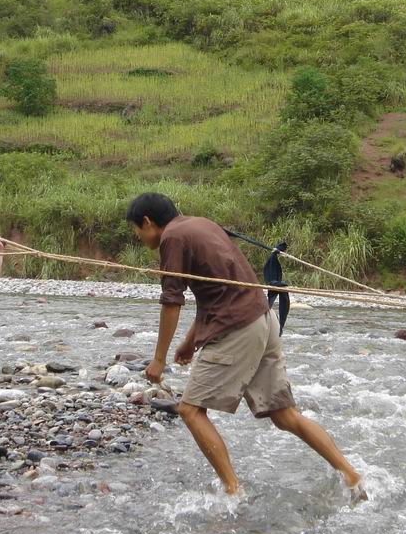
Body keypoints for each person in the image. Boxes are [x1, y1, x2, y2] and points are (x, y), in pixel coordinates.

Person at [126, 192, 365, 499]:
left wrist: (158, 360)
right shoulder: (202, 225)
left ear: (147, 222)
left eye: (136, 230)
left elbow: (172, 301)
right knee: (286, 416)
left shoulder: (172, 237)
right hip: (263, 321)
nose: (138, 237)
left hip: (237, 329)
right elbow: (214, 293)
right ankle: (352, 476)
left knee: (189, 410)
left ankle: (232, 491)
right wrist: (188, 343)